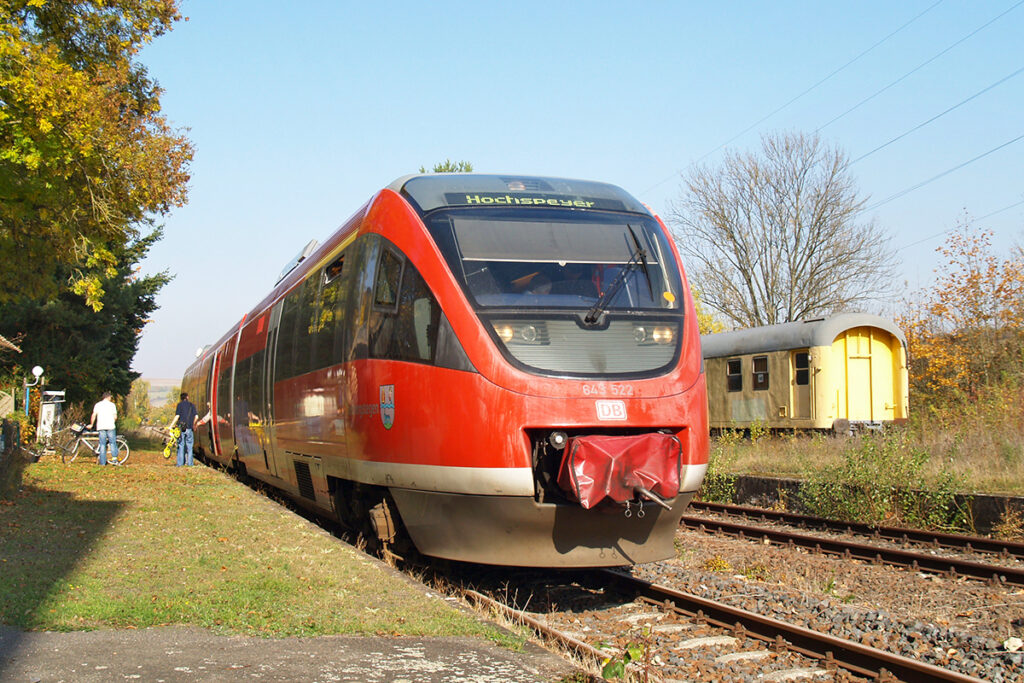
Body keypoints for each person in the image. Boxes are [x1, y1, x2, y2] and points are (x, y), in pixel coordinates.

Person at [88, 391, 118, 465]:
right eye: (110, 397)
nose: (111, 398)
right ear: (108, 397)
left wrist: (91, 424)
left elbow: (94, 415)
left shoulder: (98, 405)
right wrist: (113, 421)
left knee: (102, 444)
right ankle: (114, 460)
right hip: (110, 426)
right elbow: (115, 417)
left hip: (101, 426)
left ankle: (103, 462)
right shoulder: (112, 405)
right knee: (112, 443)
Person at [169, 392, 199, 467]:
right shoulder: (192, 405)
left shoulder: (179, 405)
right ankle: (190, 464)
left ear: (181, 398)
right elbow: (197, 417)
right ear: (187, 397)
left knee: (181, 445)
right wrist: (193, 424)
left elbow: (177, 416)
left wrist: (171, 425)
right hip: (189, 429)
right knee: (189, 446)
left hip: (181, 429)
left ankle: (180, 464)